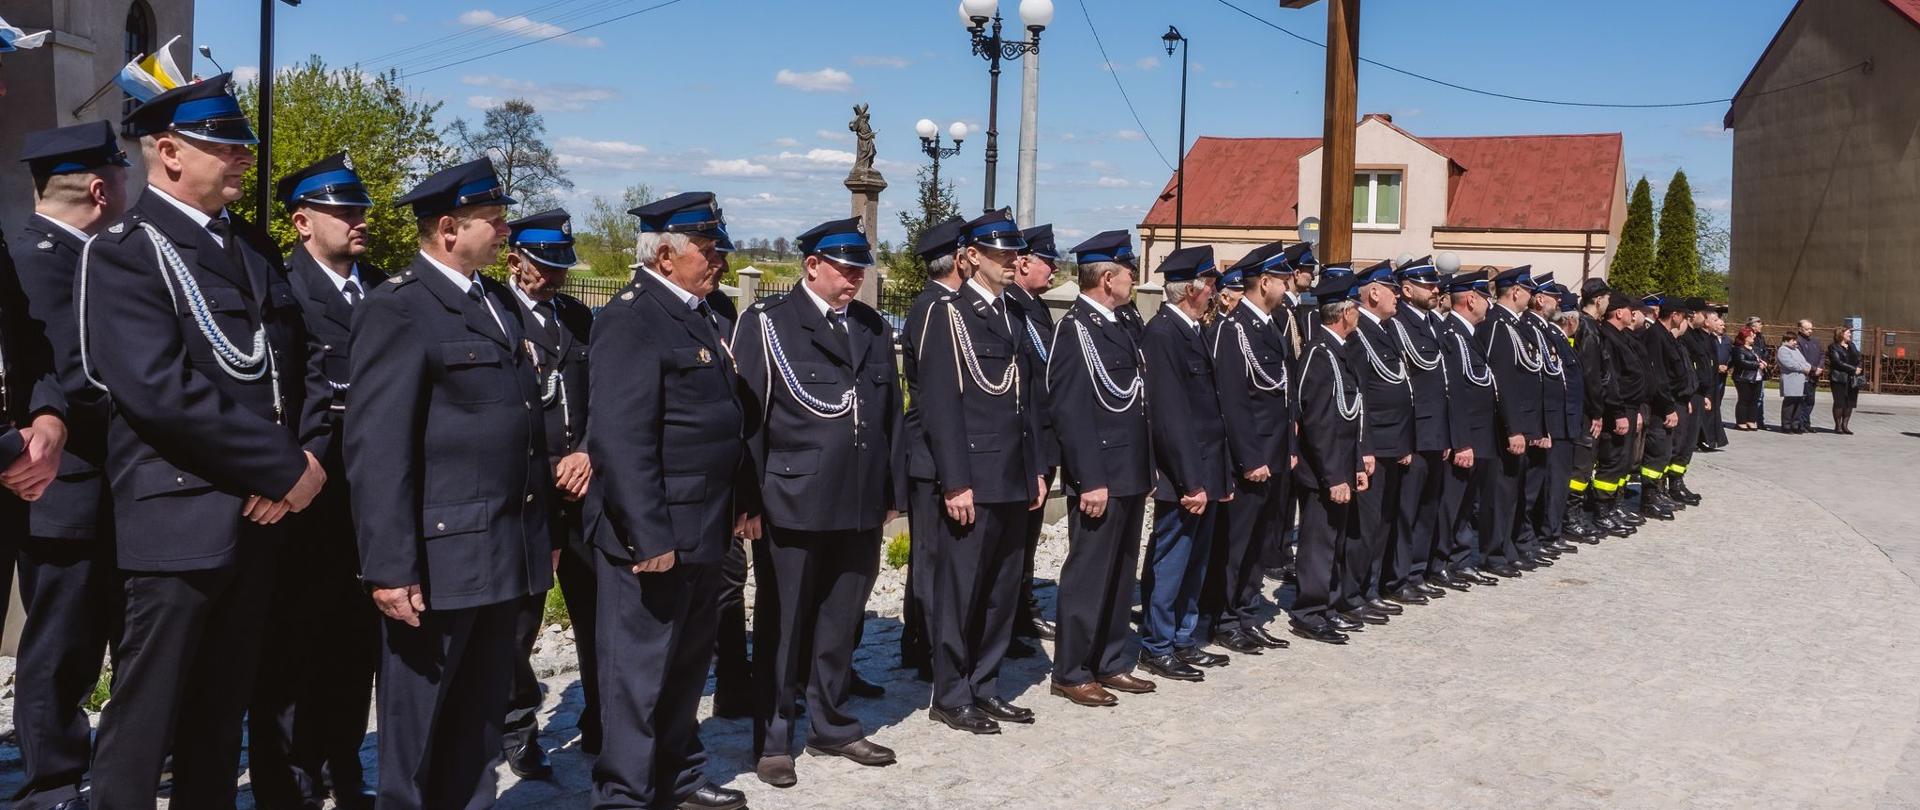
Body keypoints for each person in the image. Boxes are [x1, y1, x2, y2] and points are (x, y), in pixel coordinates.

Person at [81, 74, 327, 807]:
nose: (242, 158)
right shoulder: (126, 251)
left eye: (241, 145)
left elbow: (299, 362)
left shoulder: (247, 246)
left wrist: (306, 458)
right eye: (224, 145)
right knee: (145, 719)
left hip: (263, 517)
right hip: (181, 518)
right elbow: (161, 392)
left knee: (221, 718)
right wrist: (282, 467)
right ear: (168, 153)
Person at [346, 158, 553, 809]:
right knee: (419, 736)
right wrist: (388, 568)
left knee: (479, 727)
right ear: (446, 228)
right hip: (437, 563)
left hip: (503, 551)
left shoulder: (492, 302)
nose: (504, 231)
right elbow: (377, 449)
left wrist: (539, 535)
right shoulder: (400, 308)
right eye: (493, 221)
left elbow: (525, 425)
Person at [586, 191, 751, 810]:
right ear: (664, 255)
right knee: (637, 672)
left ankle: (677, 776)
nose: (720, 264)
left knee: (685, 664)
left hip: (704, 526)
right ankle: (625, 791)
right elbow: (622, 440)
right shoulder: (633, 317)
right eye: (709, 251)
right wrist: (647, 535)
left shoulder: (699, 313)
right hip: (654, 535)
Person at [735, 217, 903, 787]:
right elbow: (749, 422)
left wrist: (890, 491)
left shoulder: (872, 328)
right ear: (813, 266)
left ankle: (832, 723)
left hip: (857, 501)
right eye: (846, 267)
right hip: (792, 499)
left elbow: (889, 418)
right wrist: (748, 501)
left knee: (840, 620)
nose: (856, 277)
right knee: (783, 623)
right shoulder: (771, 324)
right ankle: (774, 736)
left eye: (861, 268)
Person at [251, 151, 384, 810]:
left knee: (353, 655)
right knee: (291, 662)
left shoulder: (382, 289)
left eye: (360, 209)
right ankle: (290, 788)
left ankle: (346, 769)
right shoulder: (284, 292)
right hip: (306, 513)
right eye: (344, 210)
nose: (359, 220)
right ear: (303, 222)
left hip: (370, 511)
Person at [913, 208, 1047, 734]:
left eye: (1014, 251)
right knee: (961, 590)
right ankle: (951, 692)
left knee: (1000, 589)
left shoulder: (1014, 312)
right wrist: (956, 480)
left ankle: (986, 684)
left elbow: (1028, 402)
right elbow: (941, 406)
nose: (1013, 259)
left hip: (1013, 474)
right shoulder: (948, 313)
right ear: (971, 257)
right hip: (974, 475)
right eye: (1001, 252)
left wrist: (1036, 469)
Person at [6, 122, 99, 810]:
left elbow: (43, 364)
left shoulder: (78, 255)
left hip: (77, 469)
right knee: (58, 644)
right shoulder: (41, 256)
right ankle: (51, 781)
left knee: (78, 638)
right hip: (59, 477)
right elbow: (68, 370)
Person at [498, 208, 599, 777]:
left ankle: (600, 717)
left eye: (562, 266)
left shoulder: (579, 318)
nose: (556, 276)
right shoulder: (497, 313)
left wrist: (587, 448)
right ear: (516, 260)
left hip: (580, 490)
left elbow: (600, 395)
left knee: (595, 612)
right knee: (518, 623)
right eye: (545, 266)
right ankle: (515, 725)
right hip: (527, 492)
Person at [1044, 230, 1159, 706]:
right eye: (1128, 271)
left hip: (1128, 469)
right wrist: (1089, 478)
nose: (1134, 278)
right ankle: (1072, 669)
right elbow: (1070, 410)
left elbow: (1136, 400)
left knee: (1118, 570)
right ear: (1107, 278)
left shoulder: (1117, 323)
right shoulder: (1076, 329)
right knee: (1089, 574)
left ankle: (1110, 659)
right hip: (1101, 476)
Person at [1139, 245, 1234, 680]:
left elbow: (1210, 410)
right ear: (1191, 289)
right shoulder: (1163, 334)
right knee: (1172, 558)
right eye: (1210, 283)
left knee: (1195, 558)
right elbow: (1171, 416)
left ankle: (1182, 637)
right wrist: (1190, 480)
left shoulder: (1193, 330)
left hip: (1206, 468)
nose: (1214, 290)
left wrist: (1219, 474)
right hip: (1184, 474)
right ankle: (1157, 644)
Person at [1202, 241, 1297, 655]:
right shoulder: (1233, 328)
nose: (1289, 284)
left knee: (1259, 542)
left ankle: (1245, 611)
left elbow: (1284, 396)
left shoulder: (1268, 325)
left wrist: (1288, 446)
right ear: (1264, 282)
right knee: (1236, 544)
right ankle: (1224, 617)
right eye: (1282, 278)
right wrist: (1250, 458)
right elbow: (1233, 402)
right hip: (1251, 458)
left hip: (1274, 454)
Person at [897, 215, 965, 678]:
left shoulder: (946, 305)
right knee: (929, 558)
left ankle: (923, 642)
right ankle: (924, 646)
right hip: (928, 454)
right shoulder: (935, 308)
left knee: (938, 558)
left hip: (938, 451)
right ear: (959, 258)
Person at [1287, 271, 1365, 643]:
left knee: (1333, 541)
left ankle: (1328, 605)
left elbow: (1349, 417)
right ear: (1343, 313)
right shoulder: (1320, 355)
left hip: (1340, 466)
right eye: (1356, 308)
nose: (1359, 314)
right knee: (1318, 543)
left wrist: (1353, 467)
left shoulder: (1338, 351)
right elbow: (1318, 424)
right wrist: (1334, 476)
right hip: (1321, 472)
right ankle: (1309, 611)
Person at [1344, 260, 1419, 615]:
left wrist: (1403, 443)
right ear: (1374, 292)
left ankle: (1370, 587)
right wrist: (1365, 448)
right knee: (1365, 525)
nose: (1398, 298)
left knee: (1383, 523)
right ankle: (1352, 593)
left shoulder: (1385, 330)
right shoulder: (1360, 333)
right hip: (1374, 444)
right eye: (1392, 289)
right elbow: (1360, 397)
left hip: (1393, 443)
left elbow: (1400, 388)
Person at [1387, 257, 1464, 593]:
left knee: (1428, 506)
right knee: (1406, 510)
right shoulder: (1398, 324)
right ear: (1406, 289)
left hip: (1436, 432)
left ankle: (1417, 571)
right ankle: (1398, 576)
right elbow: (1406, 385)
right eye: (1427, 284)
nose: (1436, 289)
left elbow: (1445, 382)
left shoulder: (1435, 323)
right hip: (1416, 432)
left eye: (1435, 284)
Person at [1007, 222, 1062, 650]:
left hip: (1043, 435)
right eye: (1047, 262)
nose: (1054, 271)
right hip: (1026, 437)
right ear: (1023, 262)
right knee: (1014, 538)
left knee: (1027, 536)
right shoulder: (1012, 305)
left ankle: (1022, 609)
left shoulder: (1035, 306)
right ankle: (1013, 615)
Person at [1476, 267, 1546, 574]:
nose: (1532, 297)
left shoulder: (1516, 326)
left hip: (1521, 425)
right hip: (1504, 428)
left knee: (1513, 492)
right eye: (1528, 291)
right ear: (1515, 292)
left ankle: (1506, 546)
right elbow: (1501, 382)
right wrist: (1513, 427)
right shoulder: (1497, 327)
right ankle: (1493, 552)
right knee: (1499, 494)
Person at [1434, 272, 1501, 585]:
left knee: (1464, 504)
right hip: (1465, 437)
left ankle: (1459, 559)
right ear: (1471, 299)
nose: (1489, 302)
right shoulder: (1452, 334)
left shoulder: (1469, 334)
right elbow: (1454, 392)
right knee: (1451, 504)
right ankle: (1442, 561)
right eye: (1484, 295)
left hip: (1479, 435)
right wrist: (1461, 441)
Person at [1776, 327, 1814, 435]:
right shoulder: (1783, 350)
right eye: (1793, 340)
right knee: (1790, 403)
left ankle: (1795, 424)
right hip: (1790, 379)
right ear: (1787, 340)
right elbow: (1789, 364)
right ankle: (1786, 425)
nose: (1795, 342)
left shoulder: (1796, 350)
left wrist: (1808, 367)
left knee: (1798, 403)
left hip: (1800, 380)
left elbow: (1804, 361)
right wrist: (1803, 368)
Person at [1826, 326, 1864, 434]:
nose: (1850, 335)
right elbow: (1837, 362)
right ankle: (1838, 426)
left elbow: (1859, 358)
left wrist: (1859, 367)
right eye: (1848, 333)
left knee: (1850, 402)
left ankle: (1845, 425)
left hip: (1852, 378)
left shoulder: (1852, 345)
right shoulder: (1833, 347)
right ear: (1841, 334)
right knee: (1839, 402)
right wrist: (1853, 369)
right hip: (1839, 378)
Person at [1792, 320, 1824, 432]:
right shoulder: (1797, 341)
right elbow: (1800, 358)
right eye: (1807, 329)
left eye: (1811, 329)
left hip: (1815, 375)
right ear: (1800, 329)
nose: (1810, 331)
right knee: (1802, 400)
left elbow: (1821, 355)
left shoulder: (1815, 341)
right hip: (1804, 375)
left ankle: (1806, 422)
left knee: (1811, 400)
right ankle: (1799, 423)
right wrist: (1813, 369)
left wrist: (1819, 367)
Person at [1731, 326, 1766, 430]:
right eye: (1751, 335)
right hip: (1743, 378)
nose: (1754, 336)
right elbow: (1741, 362)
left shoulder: (1755, 348)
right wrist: (1757, 364)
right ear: (1745, 337)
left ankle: (1751, 420)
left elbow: (1762, 356)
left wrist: (1763, 362)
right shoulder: (1739, 349)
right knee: (1744, 399)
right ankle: (1741, 421)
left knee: (1754, 400)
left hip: (1757, 377)